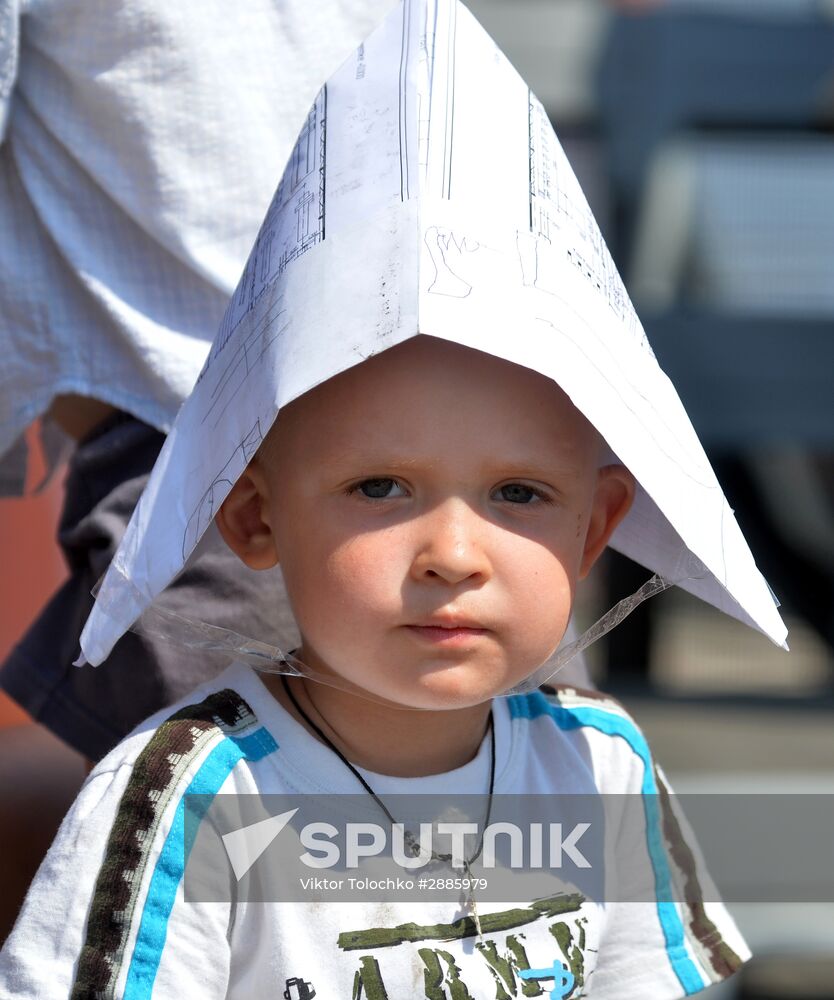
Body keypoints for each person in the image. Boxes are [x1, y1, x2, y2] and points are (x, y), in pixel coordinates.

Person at [0, 0, 782, 994]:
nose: (453, 553)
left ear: (596, 530)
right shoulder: (191, 798)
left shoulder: (602, 769)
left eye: (519, 493)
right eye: (381, 487)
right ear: (254, 517)